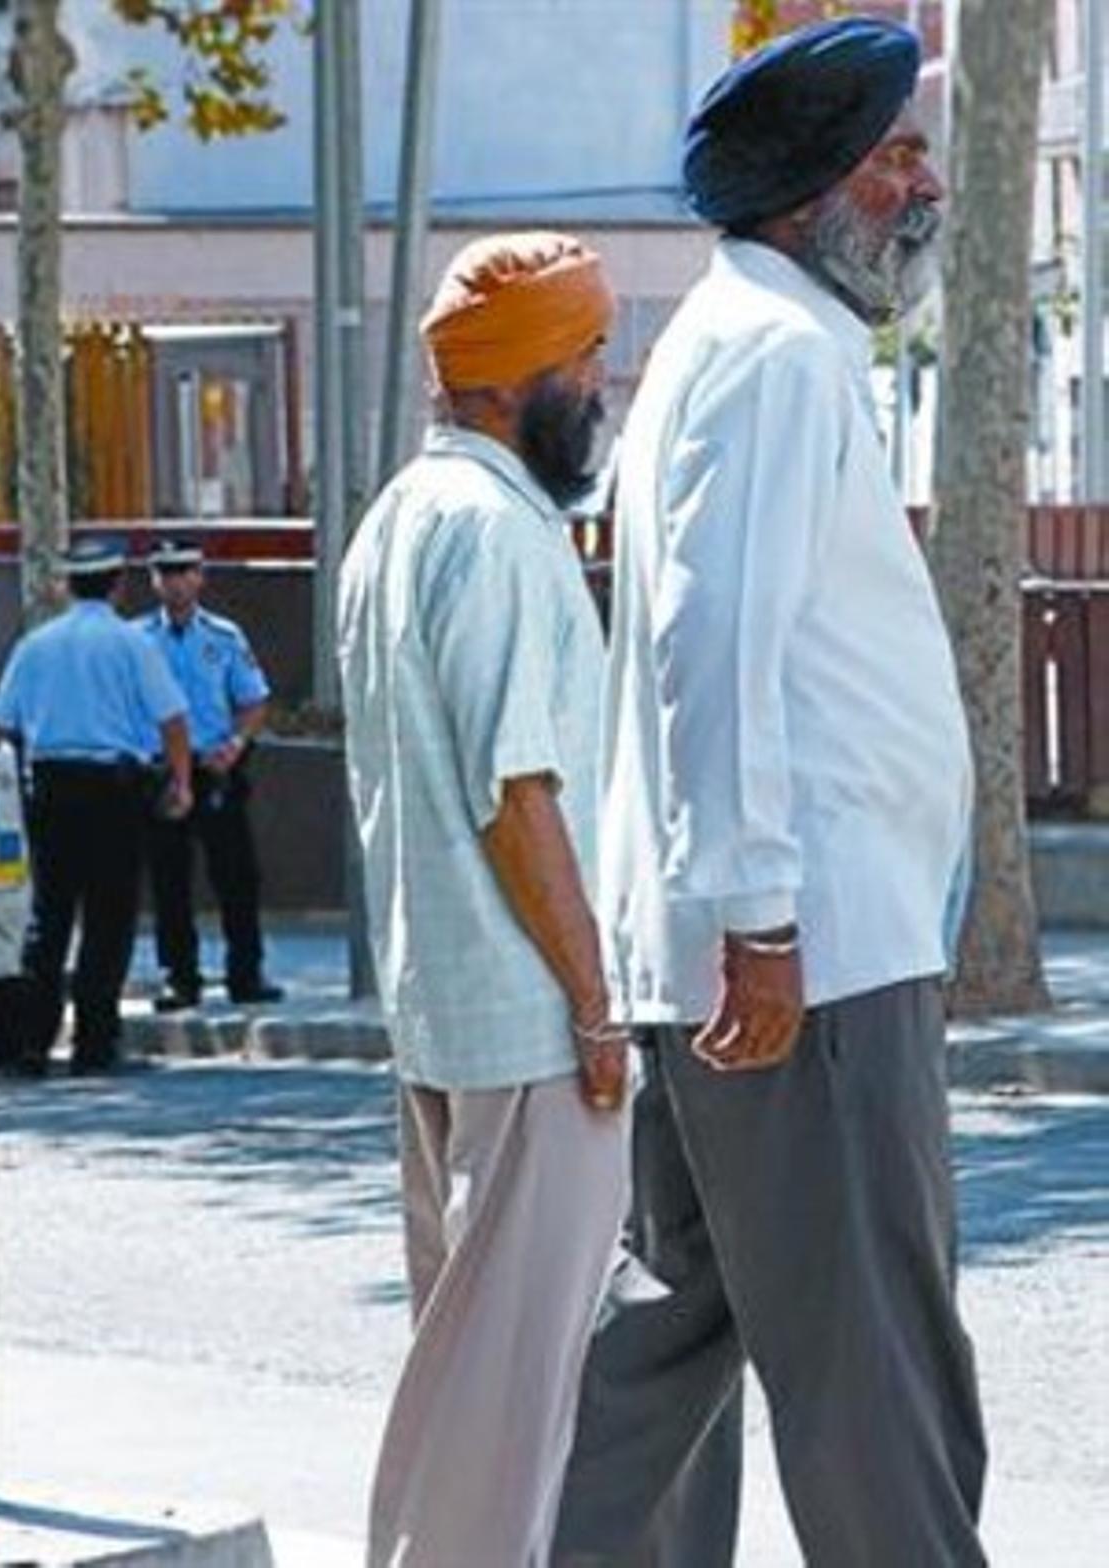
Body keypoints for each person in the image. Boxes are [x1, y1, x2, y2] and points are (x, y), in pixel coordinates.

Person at [552, 19, 987, 1568]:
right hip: (810, 953)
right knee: (876, 1370)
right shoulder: (781, 355)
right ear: (820, 192)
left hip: (743, 940)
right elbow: (711, 642)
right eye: (899, 158)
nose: (925, 184)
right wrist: (763, 922)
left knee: (675, 1334)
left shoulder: (736, 338)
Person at [338, 231, 630, 1568]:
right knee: (505, 1424)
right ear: (520, 381)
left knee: (465, 1378)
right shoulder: (499, 531)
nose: (604, 382)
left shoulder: (400, 513)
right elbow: (520, 795)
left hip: (443, 1014)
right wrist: (595, 1004)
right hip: (528, 1027)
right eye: (588, 357)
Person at [0, 538, 192, 1076]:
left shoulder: (35, 645)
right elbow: (172, 718)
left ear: (65, 584)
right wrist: (180, 783)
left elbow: (2, 723)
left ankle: (33, 1045)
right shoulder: (130, 644)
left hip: (52, 788)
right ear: (117, 584)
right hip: (113, 791)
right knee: (109, 918)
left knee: (49, 917)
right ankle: (94, 1044)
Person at [138, 538, 283, 1010]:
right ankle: (180, 975)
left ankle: (246, 971)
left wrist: (237, 744)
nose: (175, 582)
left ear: (200, 577)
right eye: (166, 573)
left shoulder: (223, 638)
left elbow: (253, 700)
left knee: (237, 876)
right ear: (154, 580)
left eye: (184, 572)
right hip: (161, 771)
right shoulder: (137, 641)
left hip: (215, 767)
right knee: (169, 878)